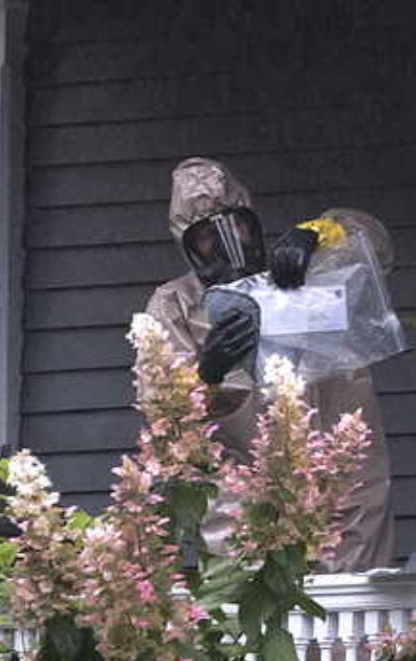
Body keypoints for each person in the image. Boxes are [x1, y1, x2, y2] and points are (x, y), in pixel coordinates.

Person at [144, 157, 395, 572]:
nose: (229, 243)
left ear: (253, 222)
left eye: (238, 225)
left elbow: (376, 247)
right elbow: (163, 413)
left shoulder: (308, 269)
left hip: (344, 476)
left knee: (352, 614)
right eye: (207, 237)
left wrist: (319, 234)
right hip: (243, 496)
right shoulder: (176, 305)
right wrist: (208, 373)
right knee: (254, 617)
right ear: (188, 246)